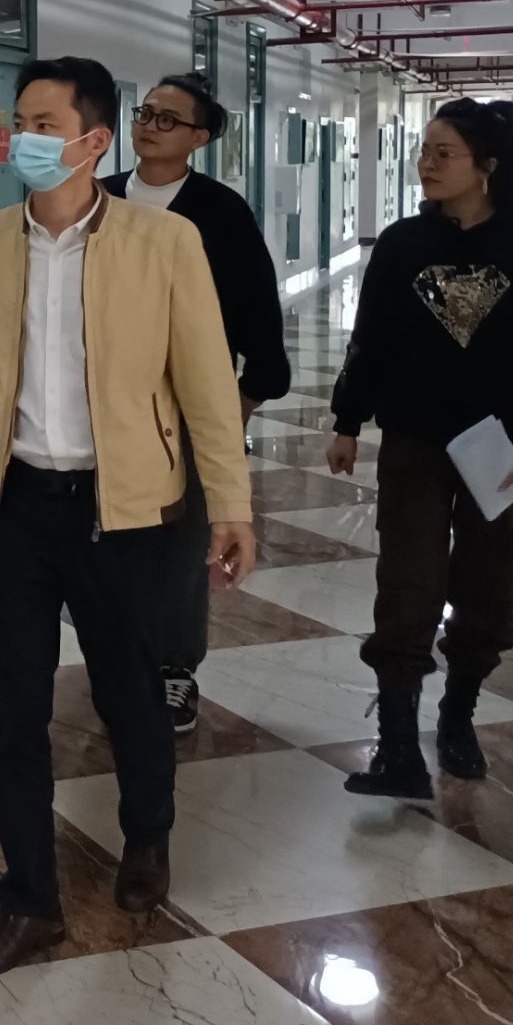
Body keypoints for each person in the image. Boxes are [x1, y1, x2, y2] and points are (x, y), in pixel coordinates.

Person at [0, 57, 255, 980]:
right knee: (11, 712)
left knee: (131, 695)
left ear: (93, 140)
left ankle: (146, 834)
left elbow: (205, 386)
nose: (22, 138)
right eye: (18, 121)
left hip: (126, 514)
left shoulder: (163, 243)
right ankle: (28, 900)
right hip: (17, 511)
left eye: (42, 123)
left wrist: (229, 505)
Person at [327, 98, 513, 799]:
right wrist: (347, 419)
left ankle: (458, 715)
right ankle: (397, 749)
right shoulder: (403, 244)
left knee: (490, 587)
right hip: (414, 438)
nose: (427, 165)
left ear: (486, 166)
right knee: (407, 584)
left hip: (500, 443)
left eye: (444, 153)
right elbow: (369, 337)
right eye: (424, 151)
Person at [104, 73, 290, 733]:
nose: (148, 126)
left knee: (182, 544)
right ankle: (118, 657)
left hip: (186, 403)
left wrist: (243, 398)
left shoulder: (220, 212)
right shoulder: (99, 198)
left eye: (167, 119)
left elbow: (256, 311)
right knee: (108, 537)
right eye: (144, 113)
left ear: (199, 138)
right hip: (103, 401)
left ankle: (174, 666)